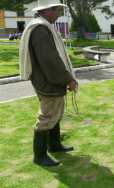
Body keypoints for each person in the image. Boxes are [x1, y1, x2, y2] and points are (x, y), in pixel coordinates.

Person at [19, 0, 78, 167]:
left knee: (55, 113)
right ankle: (39, 156)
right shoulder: (40, 29)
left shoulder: (42, 26)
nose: (59, 14)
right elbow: (50, 60)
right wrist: (68, 79)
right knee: (46, 117)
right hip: (47, 81)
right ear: (47, 11)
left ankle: (55, 145)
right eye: (58, 10)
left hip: (47, 79)